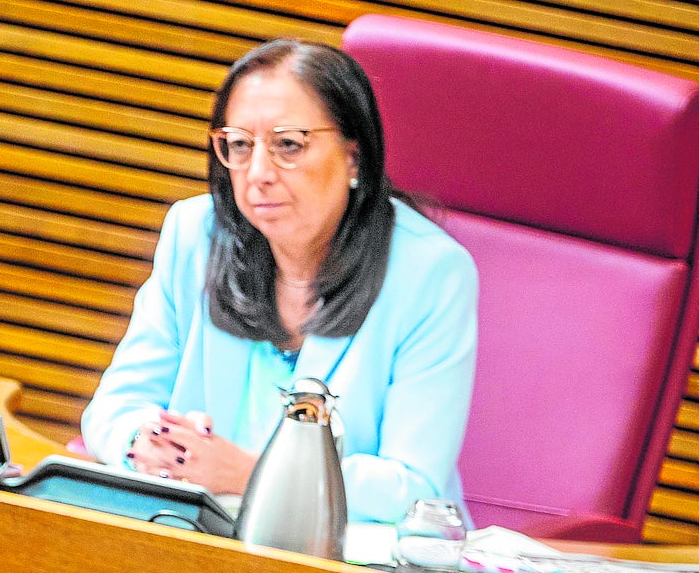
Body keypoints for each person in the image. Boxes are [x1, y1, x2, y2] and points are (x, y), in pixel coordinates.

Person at [81, 39, 477, 524]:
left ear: (354, 156)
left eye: (289, 145)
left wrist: (252, 473)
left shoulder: (430, 273)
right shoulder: (194, 234)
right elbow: (114, 407)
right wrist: (147, 441)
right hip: (197, 540)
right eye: (240, 146)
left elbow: (415, 489)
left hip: (355, 567)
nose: (258, 173)